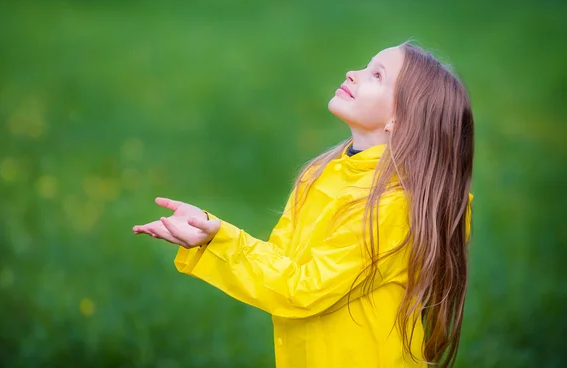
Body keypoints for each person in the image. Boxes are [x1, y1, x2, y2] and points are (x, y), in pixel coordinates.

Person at [132, 41, 474, 368]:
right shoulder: (320, 172)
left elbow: (302, 289)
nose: (353, 73)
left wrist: (220, 240)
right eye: (366, 67)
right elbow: (282, 265)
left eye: (377, 75)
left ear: (400, 120)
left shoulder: (393, 206)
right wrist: (210, 234)